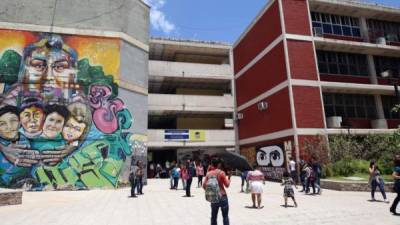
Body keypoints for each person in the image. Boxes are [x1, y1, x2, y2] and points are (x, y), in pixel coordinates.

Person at [203, 158, 230, 225]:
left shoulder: (208, 174)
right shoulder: (221, 173)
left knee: (213, 217)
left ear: (212, 164)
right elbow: (227, 185)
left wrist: (211, 190)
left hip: (213, 197)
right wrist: (229, 178)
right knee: (225, 216)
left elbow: (204, 186)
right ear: (219, 164)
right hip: (223, 196)